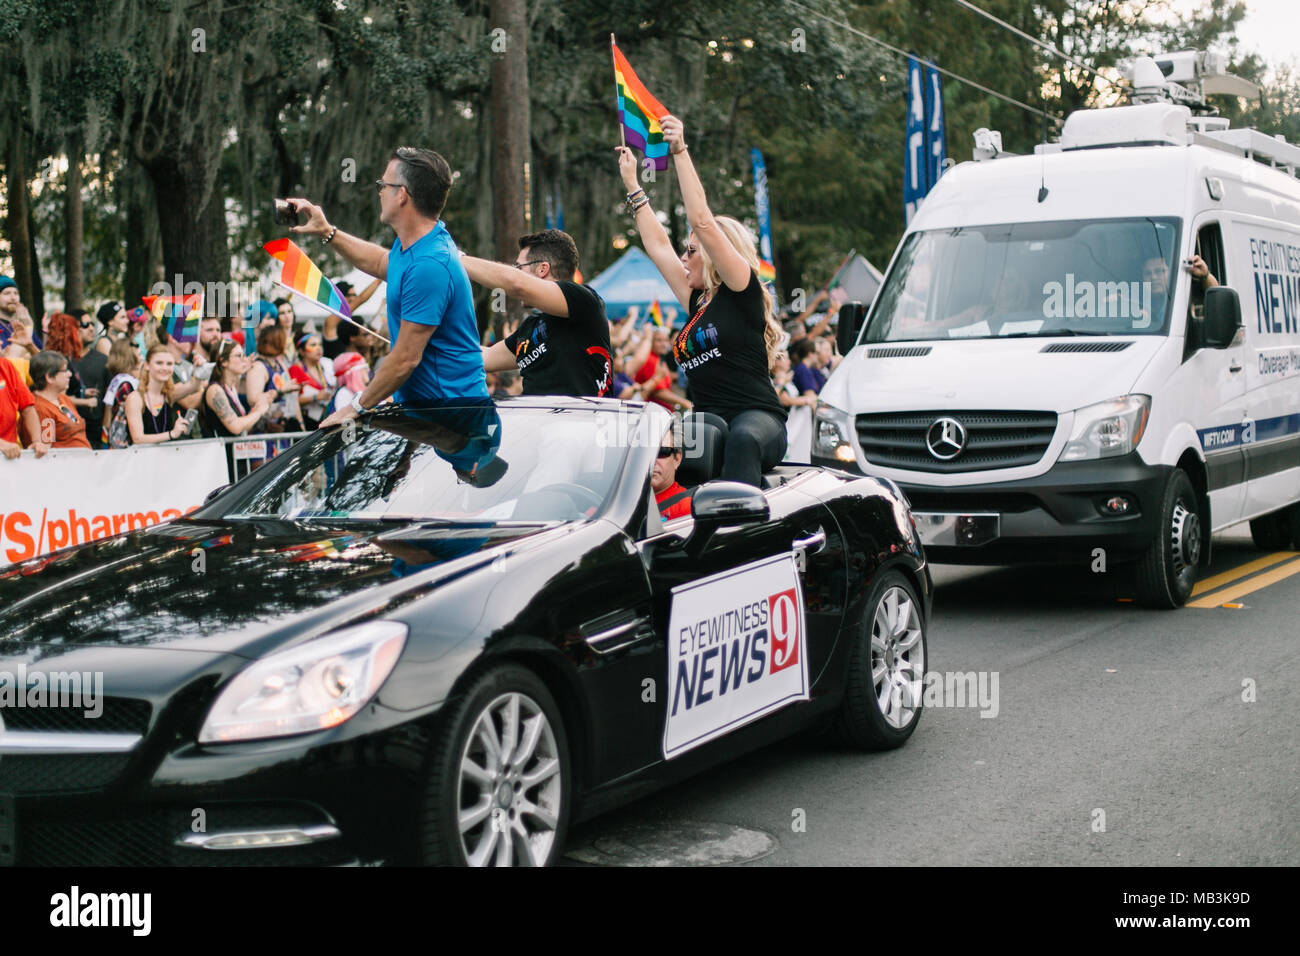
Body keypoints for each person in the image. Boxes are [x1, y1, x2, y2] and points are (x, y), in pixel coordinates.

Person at [617, 115, 786, 487]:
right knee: (669, 440)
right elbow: (658, 246)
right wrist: (633, 185)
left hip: (757, 423)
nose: (683, 257)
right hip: (709, 421)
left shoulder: (742, 290)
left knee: (740, 438)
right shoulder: (697, 302)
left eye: (691, 250)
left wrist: (679, 150)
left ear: (711, 255)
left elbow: (702, 220)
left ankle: (740, 534)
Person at [288, 146, 488, 430]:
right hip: (434, 418)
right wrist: (326, 231)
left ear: (402, 194)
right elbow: (382, 262)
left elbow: (405, 359)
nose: (379, 191)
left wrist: (354, 406)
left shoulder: (430, 264)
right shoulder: (415, 246)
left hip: (454, 420)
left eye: (384, 185)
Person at [465, 229, 612, 397]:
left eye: (519, 267)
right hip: (537, 420)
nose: (517, 271)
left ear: (543, 269)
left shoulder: (584, 301)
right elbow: (486, 357)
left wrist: (457, 258)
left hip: (584, 420)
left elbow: (516, 284)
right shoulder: (531, 326)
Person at [202, 338, 274, 438]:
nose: (245, 359)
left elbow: (243, 426)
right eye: (238, 356)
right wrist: (259, 411)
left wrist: (259, 405)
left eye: (243, 355)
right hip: (220, 452)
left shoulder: (231, 388)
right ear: (223, 361)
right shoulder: (214, 390)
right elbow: (235, 426)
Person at [124, 345, 191, 444]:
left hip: (165, 457)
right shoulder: (135, 398)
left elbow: (193, 385)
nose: (164, 368)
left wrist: (201, 369)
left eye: (169, 364)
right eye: (159, 363)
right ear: (147, 365)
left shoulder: (168, 395)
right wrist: (171, 434)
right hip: (140, 457)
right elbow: (138, 438)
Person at [245, 325, 304, 433]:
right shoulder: (258, 367)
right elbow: (253, 399)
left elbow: (292, 397)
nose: (286, 343)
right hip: (265, 431)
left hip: (282, 427)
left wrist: (300, 424)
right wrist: (280, 391)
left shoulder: (279, 363)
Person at [27, 350, 91, 449]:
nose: (70, 374)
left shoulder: (64, 399)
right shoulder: (41, 408)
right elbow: (47, 450)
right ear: (49, 377)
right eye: (65, 370)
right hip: (64, 463)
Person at [1, 353, 50, 459]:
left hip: (11, 457)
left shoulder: (6, 366)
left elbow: (27, 407)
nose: (1, 343)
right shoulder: (44, 407)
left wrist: (37, 441)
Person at [75, 312, 109, 448]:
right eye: (85, 325)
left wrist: (106, 429)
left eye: (92, 324)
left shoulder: (103, 360)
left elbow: (110, 397)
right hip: (67, 434)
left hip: (96, 435)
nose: (91, 328)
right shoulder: (61, 359)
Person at [290, 333, 336, 429]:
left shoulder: (324, 367)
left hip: (325, 419)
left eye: (319, 344)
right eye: (313, 345)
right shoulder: (295, 369)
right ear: (301, 351)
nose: (318, 348)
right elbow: (291, 400)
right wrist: (315, 397)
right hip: (307, 422)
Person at [651, 422, 693, 520]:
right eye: (644, 453)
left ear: (677, 459)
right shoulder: (615, 501)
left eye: (662, 452)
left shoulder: (687, 508)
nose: (652, 460)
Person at [330, 351, 370, 416]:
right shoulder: (344, 393)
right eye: (364, 367)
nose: (368, 370)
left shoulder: (359, 391)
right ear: (355, 372)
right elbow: (345, 420)